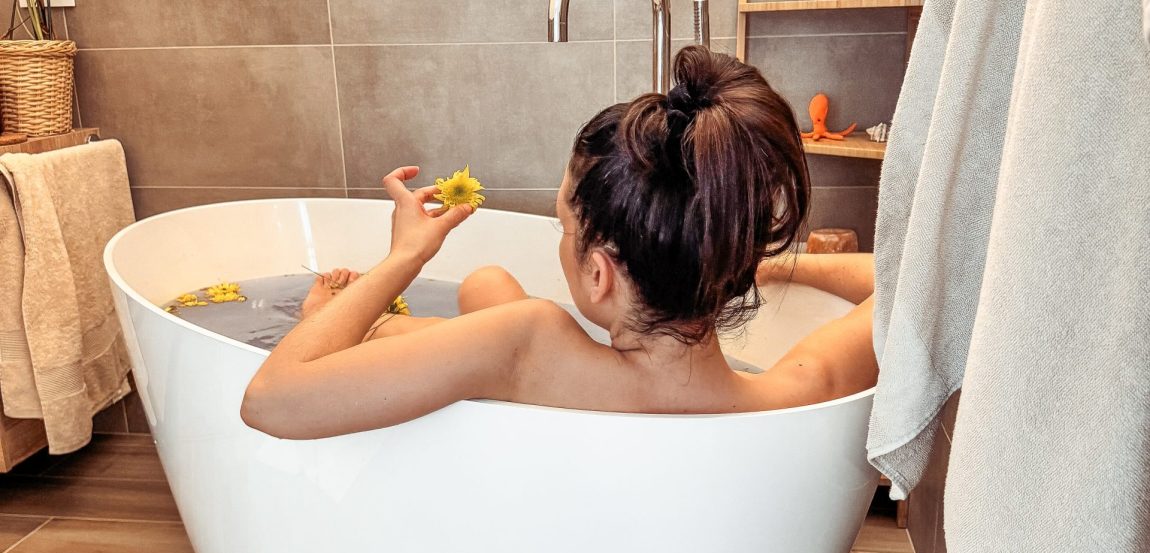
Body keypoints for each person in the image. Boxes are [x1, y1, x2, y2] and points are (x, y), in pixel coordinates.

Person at [241, 46, 878, 440]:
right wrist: (747, 263)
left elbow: (271, 402)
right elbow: (898, 283)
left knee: (479, 295)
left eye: (564, 227)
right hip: (664, 373)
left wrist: (406, 256)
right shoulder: (801, 391)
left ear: (599, 274)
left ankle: (358, 324)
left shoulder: (530, 343)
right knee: (488, 284)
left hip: (528, 366)